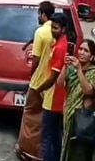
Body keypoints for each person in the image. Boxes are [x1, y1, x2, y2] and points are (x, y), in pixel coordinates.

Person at [16, 1, 56, 160]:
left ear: (44, 15)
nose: (37, 16)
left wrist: (32, 76)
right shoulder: (58, 32)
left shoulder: (41, 33)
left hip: (38, 82)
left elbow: (36, 59)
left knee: (29, 117)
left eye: (39, 13)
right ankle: (40, 153)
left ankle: (27, 151)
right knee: (42, 121)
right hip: (51, 84)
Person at [57, 39, 95, 161]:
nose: (81, 52)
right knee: (66, 148)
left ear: (92, 56)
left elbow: (88, 90)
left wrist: (79, 70)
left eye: (86, 51)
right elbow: (60, 84)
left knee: (78, 153)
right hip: (68, 114)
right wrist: (65, 67)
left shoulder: (94, 73)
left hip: (82, 120)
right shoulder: (71, 69)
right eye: (80, 49)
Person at [37, 12, 69, 161]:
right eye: (52, 27)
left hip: (53, 97)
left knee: (47, 136)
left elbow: (53, 78)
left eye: (56, 28)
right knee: (55, 135)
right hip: (56, 97)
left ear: (63, 29)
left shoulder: (59, 48)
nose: (52, 31)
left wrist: (38, 89)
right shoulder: (60, 42)